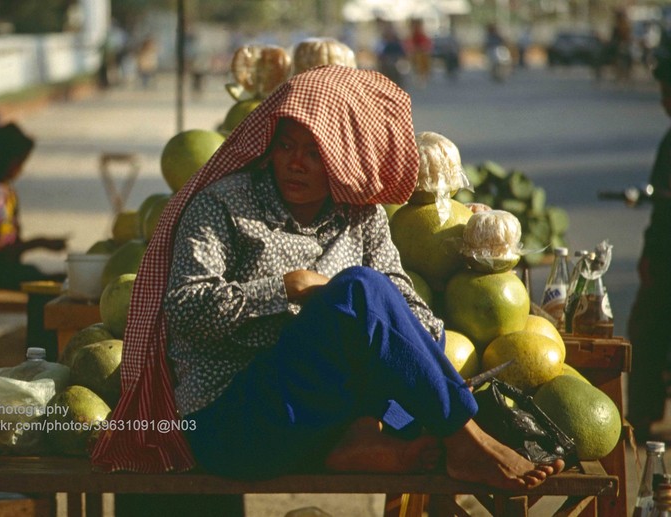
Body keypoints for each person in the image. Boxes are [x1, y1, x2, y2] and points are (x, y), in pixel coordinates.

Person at [91, 66, 563, 489]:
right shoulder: (223, 206)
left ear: (344, 157)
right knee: (360, 288)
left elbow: (404, 302)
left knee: (374, 304)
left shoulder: (362, 215)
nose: (295, 163)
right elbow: (185, 307)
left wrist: (403, 339)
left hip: (320, 414)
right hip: (233, 425)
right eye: (286, 146)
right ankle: (466, 440)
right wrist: (285, 290)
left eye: (314, 152)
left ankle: (358, 442)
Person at [0, 123, 67, 291]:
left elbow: (12, 245)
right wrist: (37, 243)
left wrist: (37, 244)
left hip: (11, 271)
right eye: (18, 163)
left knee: (56, 280)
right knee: (45, 284)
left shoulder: (8, 193)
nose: (20, 170)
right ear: (4, 160)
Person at [627, 47, 671, 441]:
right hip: (662, 253)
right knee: (648, 337)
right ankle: (641, 418)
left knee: (650, 332)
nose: (663, 101)